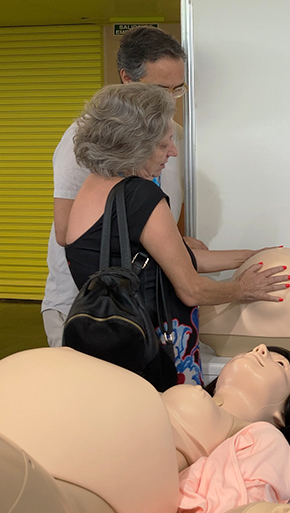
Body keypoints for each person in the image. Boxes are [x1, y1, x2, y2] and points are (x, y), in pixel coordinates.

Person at [0, 345, 290, 513]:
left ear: (283, 414)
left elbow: (247, 503)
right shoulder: (176, 392)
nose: (262, 347)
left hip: (79, 484)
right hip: (31, 424)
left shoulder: (262, 438)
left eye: (278, 361)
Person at [64, 83, 290, 386]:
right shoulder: (140, 196)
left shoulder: (94, 189)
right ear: (134, 144)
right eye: (163, 144)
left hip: (113, 358)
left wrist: (253, 257)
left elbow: (166, 259)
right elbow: (191, 289)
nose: (172, 151)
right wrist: (242, 289)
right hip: (157, 356)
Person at [42, 26, 195, 349]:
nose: (168, 100)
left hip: (148, 301)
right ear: (127, 78)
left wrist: (172, 241)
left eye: (177, 89)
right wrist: (161, 244)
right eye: (159, 89)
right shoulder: (84, 138)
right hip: (89, 304)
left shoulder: (175, 137)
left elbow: (143, 217)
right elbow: (66, 230)